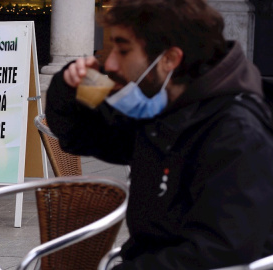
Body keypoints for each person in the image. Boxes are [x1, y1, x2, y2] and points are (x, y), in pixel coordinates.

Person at [45, 0, 273, 269]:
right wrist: (73, 85)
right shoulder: (161, 105)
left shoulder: (235, 131)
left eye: (123, 49)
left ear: (169, 59)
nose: (112, 63)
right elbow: (82, 136)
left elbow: (220, 250)